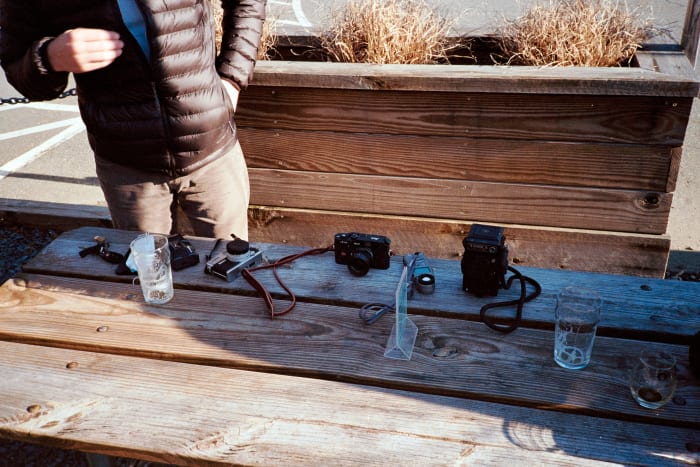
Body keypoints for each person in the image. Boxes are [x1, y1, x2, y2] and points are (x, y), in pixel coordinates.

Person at [0, 0, 266, 240]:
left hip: (213, 151)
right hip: (127, 166)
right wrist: (49, 57)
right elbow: (17, 65)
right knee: (146, 283)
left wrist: (232, 77)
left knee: (232, 277)